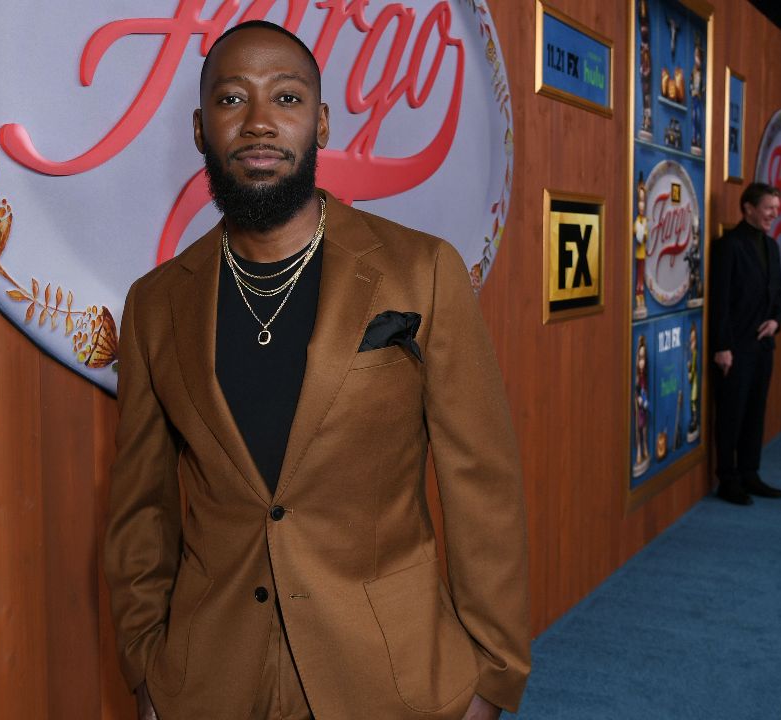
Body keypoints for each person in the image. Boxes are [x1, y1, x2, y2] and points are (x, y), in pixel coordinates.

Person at [103, 21, 530, 720]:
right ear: (200, 128)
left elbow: (482, 486)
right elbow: (139, 511)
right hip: (210, 680)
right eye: (233, 99)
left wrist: (492, 678)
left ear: (323, 122)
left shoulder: (422, 272)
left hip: (391, 674)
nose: (261, 122)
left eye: (289, 99)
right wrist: (148, 671)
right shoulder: (155, 304)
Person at [708, 183, 781, 505]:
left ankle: (750, 474)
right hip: (735, 351)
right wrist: (722, 347)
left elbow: (777, 295)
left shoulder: (771, 247)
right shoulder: (728, 246)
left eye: (776, 209)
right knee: (731, 415)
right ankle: (728, 480)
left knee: (755, 413)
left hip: (763, 348)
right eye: (769, 208)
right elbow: (720, 302)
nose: (774, 214)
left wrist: (776, 321)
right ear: (749, 208)